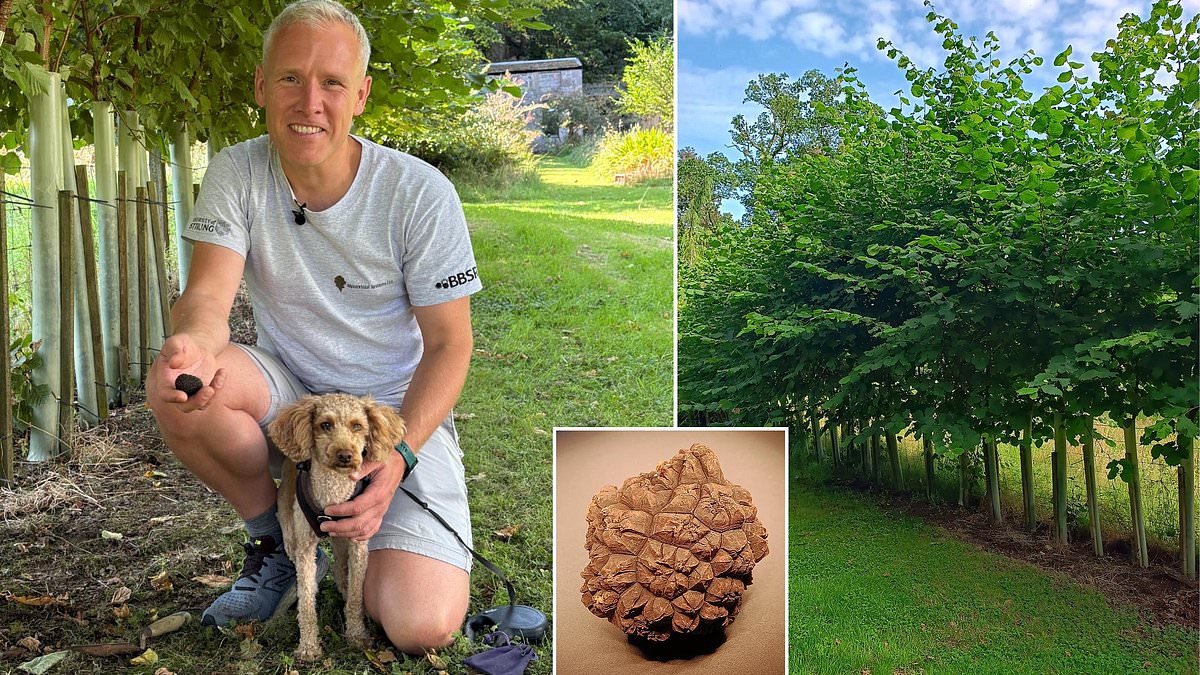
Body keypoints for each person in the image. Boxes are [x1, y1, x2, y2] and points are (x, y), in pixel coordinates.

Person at [146, 0, 481, 653]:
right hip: (292, 395)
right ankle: (276, 543)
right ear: (260, 86)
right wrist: (192, 346)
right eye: (290, 78)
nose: (310, 102)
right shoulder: (238, 171)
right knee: (181, 389)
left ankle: (356, 537)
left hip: (389, 414)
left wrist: (399, 458)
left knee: (421, 624)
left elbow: (450, 344)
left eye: (332, 82)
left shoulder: (418, 192)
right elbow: (208, 295)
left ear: (361, 94)